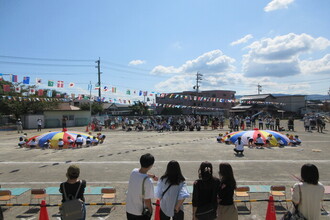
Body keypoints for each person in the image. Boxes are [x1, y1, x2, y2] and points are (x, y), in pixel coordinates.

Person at [126, 153, 158, 220]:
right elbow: (147, 200)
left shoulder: (133, 172)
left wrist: (153, 176)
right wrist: (150, 209)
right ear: (151, 166)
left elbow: (142, 173)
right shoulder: (148, 182)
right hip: (140, 213)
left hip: (129, 209)